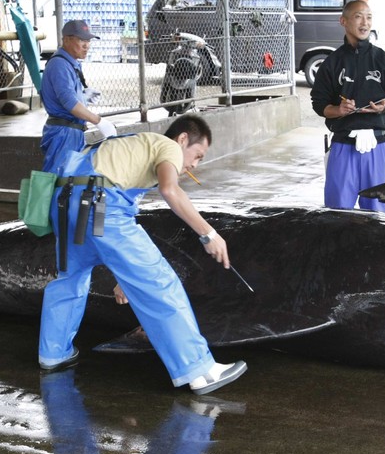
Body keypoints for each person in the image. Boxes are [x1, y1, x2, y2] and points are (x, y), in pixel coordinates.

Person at [38, 114, 247, 396]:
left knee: (70, 278)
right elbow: (169, 190)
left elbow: (102, 220)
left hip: (65, 204)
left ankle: (53, 353)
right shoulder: (168, 147)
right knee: (158, 281)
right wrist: (209, 234)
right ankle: (199, 370)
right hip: (100, 206)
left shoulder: (133, 145)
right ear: (183, 139)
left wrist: (124, 275)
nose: (194, 165)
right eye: (197, 155)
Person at [311, 0, 385, 212]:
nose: (365, 22)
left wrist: (384, 107)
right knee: (338, 211)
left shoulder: (383, 59)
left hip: (378, 145)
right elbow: (319, 103)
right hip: (344, 145)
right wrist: (337, 110)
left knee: (377, 213)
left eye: (369, 17)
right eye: (359, 16)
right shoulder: (332, 62)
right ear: (343, 21)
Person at [40, 19, 118, 171]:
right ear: (67, 40)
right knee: (59, 182)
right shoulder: (60, 65)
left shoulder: (70, 63)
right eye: (82, 40)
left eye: (88, 41)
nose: (86, 45)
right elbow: (69, 103)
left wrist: (82, 95)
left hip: (71, 132)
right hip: (63, 134)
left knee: (68, 181)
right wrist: (99, 121)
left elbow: (67, 96)